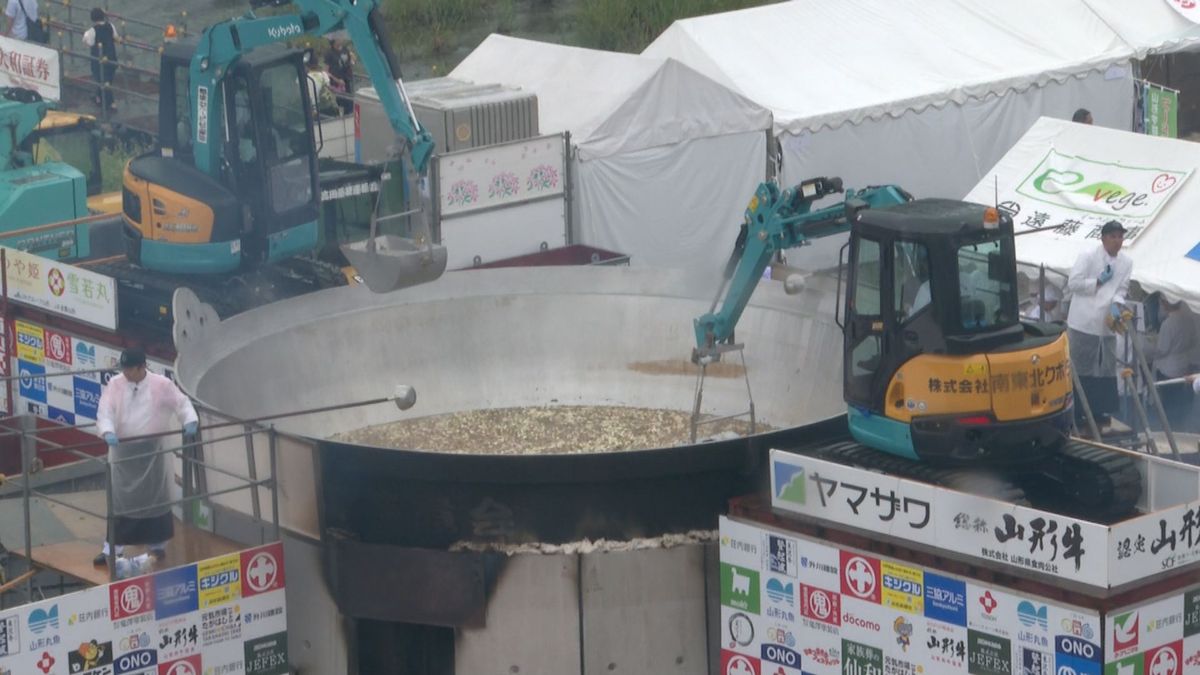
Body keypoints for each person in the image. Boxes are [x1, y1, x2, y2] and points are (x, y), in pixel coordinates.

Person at [93, 348, 198, 567]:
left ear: (141, 367)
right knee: (120, 503)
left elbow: (182, 403)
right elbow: (106, 411)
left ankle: (157, 545)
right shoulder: (115, 384)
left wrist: (189, 420)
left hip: (153, 453)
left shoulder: (161, 385)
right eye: (124, 369)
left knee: (156, 500)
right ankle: (111, 549)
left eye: (130, 369)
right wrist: (107, 431)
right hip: (123, 453)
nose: (126, 373)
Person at [1066, 220, 1132, 427]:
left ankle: (1099, 409)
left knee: (1106, 367)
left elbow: (1122, 289)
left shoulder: (1126, 262)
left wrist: (1117, 305)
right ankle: (1077, 410)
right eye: (1113, 236)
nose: (1117, 241)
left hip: (1107, 323)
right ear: (1103, 238)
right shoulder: (1088, 256)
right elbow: (1073, 283)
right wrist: (1098, 282)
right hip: (1083, 320)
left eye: (1120, 236)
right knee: (1082, 366)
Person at [1145, 296, 1197, 430]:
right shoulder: (1189, 320)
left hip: (1168, 368)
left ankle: (1170, 429)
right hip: (1183, 364)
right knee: (1180, 402)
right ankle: (1179, 426)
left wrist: (1150, 348)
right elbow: (1193, 341)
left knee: (1168, 403)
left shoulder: (1168, 323)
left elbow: (1162, 349)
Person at [83, 8, 119, 111]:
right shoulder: (111, 26)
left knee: (102, 80)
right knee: (108, 80)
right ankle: (98, 97)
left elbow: (87, 42)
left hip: (98, 61)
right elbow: (116, 37)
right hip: (112, 58)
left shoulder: (91, 31)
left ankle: (111, 103)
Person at [305, 51, 340, 119]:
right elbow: (328, 86)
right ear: (317, 63)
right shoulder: (324, 74)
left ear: (307, 65)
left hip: (316, 110)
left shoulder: (304, 78)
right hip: (328, 107)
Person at [325, 37, 355, 115]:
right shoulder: (329, 53)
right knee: (341, 102)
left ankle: (350, 114)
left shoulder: (345, 50)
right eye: (338, 39)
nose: (341, 40)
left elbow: (350, 60)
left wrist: (352, 61)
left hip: (347, 79)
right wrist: (337, 80)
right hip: (337, 83)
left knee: (350, 101)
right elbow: (326, 71)